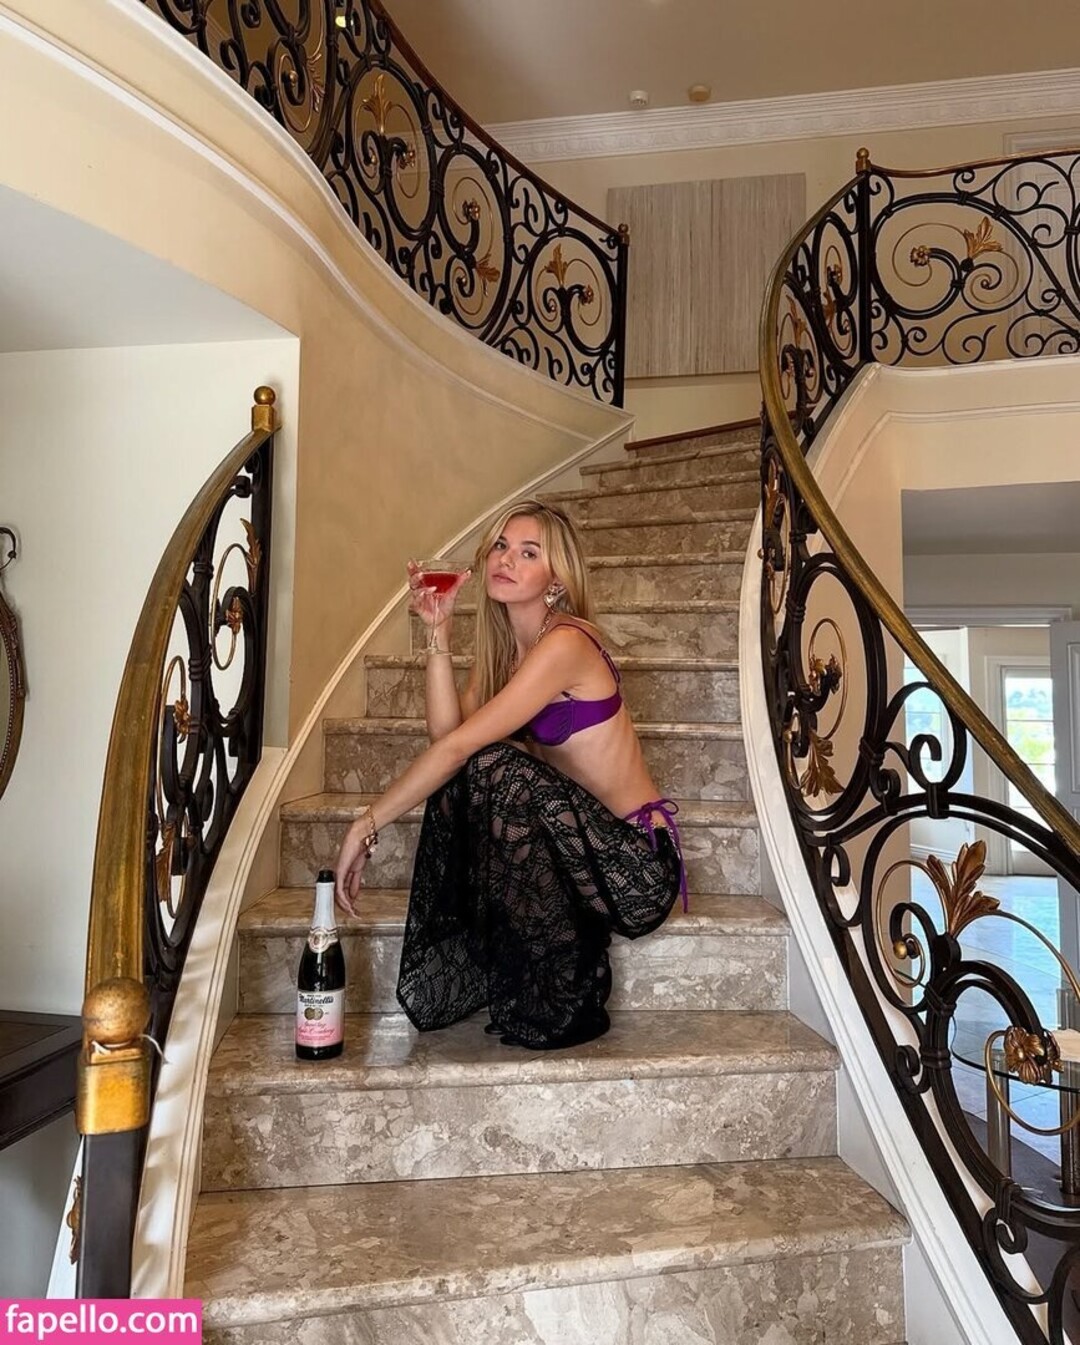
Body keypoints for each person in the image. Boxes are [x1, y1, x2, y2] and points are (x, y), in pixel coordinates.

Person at [333, 499, 685, 1049]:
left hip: (634, 866)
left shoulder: (565, 643)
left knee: (493, 765)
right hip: (578, 857)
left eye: (528, 553)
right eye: (501, 546)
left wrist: (367, 822)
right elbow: (447, 736)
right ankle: (525, 956)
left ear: (557, 580)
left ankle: (564, 979)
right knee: (474, 768)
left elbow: (459, 750)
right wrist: (439, 632)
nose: (506, 559)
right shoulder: (509, 653)